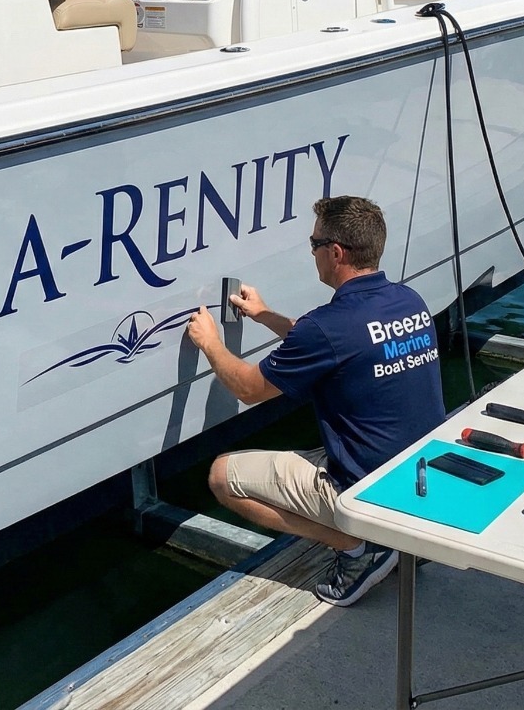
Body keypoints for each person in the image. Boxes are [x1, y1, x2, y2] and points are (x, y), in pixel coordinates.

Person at [186, 194, 446, 607]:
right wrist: (265, 314)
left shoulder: (329, 326)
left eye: (314, 245)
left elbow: (249, 390)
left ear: (336, 252)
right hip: (419, 479)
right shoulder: (409, 301)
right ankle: (396, 538)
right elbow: (336, 343)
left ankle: (357, 545)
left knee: (221, 475)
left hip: (368, 486)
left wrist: (210, 344)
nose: (312, 254)